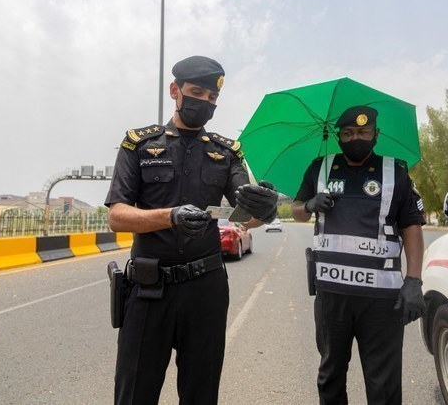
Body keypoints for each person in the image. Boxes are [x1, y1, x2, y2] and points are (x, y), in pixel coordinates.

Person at [105, 55, 278, 405]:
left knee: (201, 394)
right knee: (134, 392)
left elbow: (244, 215)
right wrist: (169, 216)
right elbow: (118, 216)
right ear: (175, 91)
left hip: (206, 291)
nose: (205, 102)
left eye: (212, 98)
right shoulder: (138, 145)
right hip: (148, 290)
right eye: (197, 92)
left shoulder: (226, 152)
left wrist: (266, 210)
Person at [291, 105, 426, 405]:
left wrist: (414, 280)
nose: (356, 138)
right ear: (338, 136)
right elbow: (296, 211)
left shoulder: (396, 172)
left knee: (384, 383)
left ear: (376, 134)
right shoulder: (320, 168)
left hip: (382, 300)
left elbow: (412, 227)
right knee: (330, 376)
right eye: (349, 133)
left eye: (363, 132)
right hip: (332, 296)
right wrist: (310, 205)